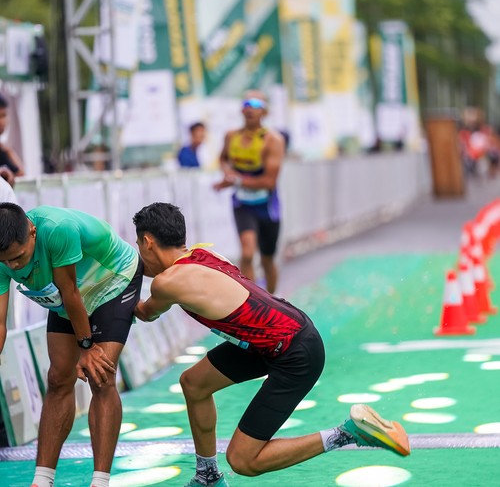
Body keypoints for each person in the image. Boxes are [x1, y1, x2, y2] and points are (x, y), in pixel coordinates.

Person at [132, 202, 411, 487]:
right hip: (273, 338)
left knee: (243, 460)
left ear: (148, 242)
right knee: (194, 383)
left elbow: (144, 312)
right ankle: (208, 476)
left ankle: (348, 433)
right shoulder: (204, 254)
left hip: (294, 353)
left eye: (139, 246)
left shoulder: (168, 282)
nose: (140, 254)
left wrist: (115, 281)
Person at [0, 203, 143, 487]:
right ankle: (42, 480)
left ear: (32, 232)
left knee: (100, 377)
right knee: (57, 379)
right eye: (5, 261)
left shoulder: (57, 229)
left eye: (18, 257)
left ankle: (100, 481)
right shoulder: (3, 257)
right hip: (67, 297)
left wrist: (86, 347)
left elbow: (71, 292)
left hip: (112, 282)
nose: (13, 266)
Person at [213, 91, 284, 294]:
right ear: (241, 110)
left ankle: (273, 298)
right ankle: (253, 302)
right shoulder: (231, 136)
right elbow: (223, 158)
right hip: (243, 205)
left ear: (265, 111)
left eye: (256, 104)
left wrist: (235, 180)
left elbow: (269, 182)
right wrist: (227, 172)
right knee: (247, 253)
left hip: (267, 207)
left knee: (267, 259)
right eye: (246, 104)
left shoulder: (273, 140)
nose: (250, 108)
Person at [0, 93, 25, 178]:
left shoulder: (3, 150)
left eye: (4, 115)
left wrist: (9, 151)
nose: (2, 121)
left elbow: (21, 174)